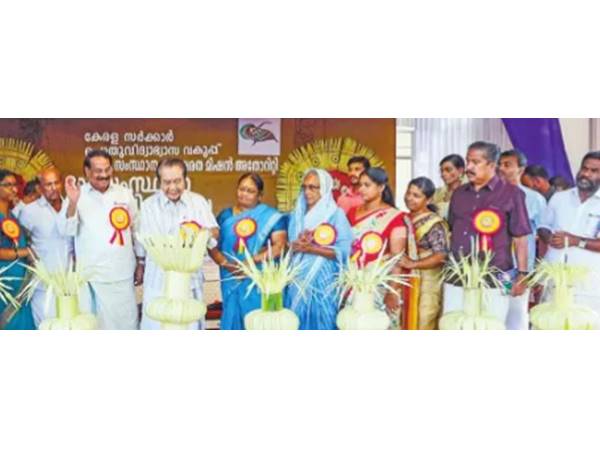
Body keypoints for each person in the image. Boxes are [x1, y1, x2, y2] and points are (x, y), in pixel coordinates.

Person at [444, 141, 532, 326]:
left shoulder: (512, 194)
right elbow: (452, 229)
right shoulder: (459, 193)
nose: (469, 167)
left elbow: (520, 238)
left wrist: (522, 274)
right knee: (453, 325)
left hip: (497, 275)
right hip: (457, 275)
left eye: (476, 162)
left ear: (492, 165)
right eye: (468, 161)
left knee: (492, 325)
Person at [58, 150, 141, 330]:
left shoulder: (124, 194)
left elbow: (136, 229)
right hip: (90, 277)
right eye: (98, 170)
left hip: (121, 274)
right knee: (94, 327)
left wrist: (141, 261)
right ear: (87, 171)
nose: (104, 175)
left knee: (125, 324)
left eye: (107, 169)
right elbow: (66, 230)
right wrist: (72, 202)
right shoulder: (76, 195)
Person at [137, 158, 219, 330]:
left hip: (190, 283)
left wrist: (202, 232)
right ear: (159, 182)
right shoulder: (148, 206)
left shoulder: (198, 202)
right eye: (167, 182)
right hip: (158, 282)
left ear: (185, 179)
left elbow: (214, 233)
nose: (173, 187)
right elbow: (149, 244)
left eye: (177, 181)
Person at [210, 173, 287, 330]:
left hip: (258, 280)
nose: (244, 194)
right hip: (231, 277)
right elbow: (211, 245)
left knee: (258, 323)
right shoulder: (225, 216)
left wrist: (252, 261)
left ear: (260, 195)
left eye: (250, 191)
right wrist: (226, 264)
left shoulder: (271, 217)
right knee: (232, 320)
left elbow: (279, 247)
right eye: (241, 189)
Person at [347, 167, 416, 329]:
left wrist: (392, 292)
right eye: (360, 185)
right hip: (352, 280)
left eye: (367, 185)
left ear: (381, 187)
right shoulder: (351, 213)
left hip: (378, 285)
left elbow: (397, 258)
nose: (361, 189)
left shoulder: (395, 217)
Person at [287, 169, 353, 330]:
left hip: (324, 280)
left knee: (323, 320)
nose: (307, 192)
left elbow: (345, 251)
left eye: (313, 187)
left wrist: (312, 249)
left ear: (324, 188)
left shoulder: (335, 214)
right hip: (298, 278)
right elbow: (291, 246)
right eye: (304, 187)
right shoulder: (297, 214)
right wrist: (296, 245)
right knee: (296, 320)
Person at [538, 151, 600, 314]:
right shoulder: (559, 198)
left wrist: (576, 241)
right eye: (584, 168)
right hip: (554, 279)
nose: (586, 174)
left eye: (594, 171)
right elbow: (543, 226)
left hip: (589, 285)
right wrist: (549, 237)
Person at [19, 167, 74, 327]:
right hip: (44, 286)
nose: (53, 188)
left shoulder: (71, 205)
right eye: (48, 184)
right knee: (46, 328)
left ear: (62, 183)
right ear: (40, 187)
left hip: (71, 285)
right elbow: (22, 243)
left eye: (56, 183)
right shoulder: (29, 212)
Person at [498, 149, 547, 329]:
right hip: (495, 267)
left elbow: (543, 236)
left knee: (516, 314)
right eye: (499, 164)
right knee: (495, 312)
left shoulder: (534, 199)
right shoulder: (491, 196)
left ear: (521, 169)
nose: (501, 168)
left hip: (520, 269)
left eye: (507, 165)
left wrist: (538, 272)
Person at [399, 177, 449, 330]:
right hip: (406, 278)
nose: (409, 198)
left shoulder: (434, 223)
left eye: (416, 195)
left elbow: (441, 255)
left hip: (428, 282)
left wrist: (413, 264)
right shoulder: (404, 218)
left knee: (423, 319)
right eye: (408, 193)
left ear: (428, 199)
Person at [0, 169, 35, 330]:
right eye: (8, 185)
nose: (14, 189)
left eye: (15, 185)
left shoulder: (12, 216)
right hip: (5, 284)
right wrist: (24, 252)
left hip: (20, 281)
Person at [432, 154, 466, 220]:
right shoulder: (437, 193)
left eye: (448, 170)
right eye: (441, 171)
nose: (443, 174)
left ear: (460, 171)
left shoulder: (469, 191)